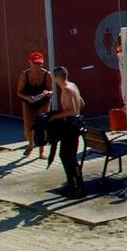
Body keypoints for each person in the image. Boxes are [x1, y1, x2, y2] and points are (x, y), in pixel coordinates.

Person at [45, 66, 87, 197]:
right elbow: (82, 103)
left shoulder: (67, 90)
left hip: (71, 125)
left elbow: (73, 111)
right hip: (73, 124)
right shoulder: (73, 86)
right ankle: (72, 184)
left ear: (57, 77)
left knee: (69, 157)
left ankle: (77, 185)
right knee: (65, 155)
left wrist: (54, 117)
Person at [17, 52, 52, 157]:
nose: (37, 66)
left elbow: (51, 90)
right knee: (28, 126)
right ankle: (30, 144)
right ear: (30, 63)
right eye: (35, 64)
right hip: (29, 101)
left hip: (43, 101)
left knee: (41, 125)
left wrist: (47, 93)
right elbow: (18, 92)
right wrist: (27, 97)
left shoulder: (46, 74)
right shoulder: (24, 74)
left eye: (39, 64)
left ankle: (42, 151)